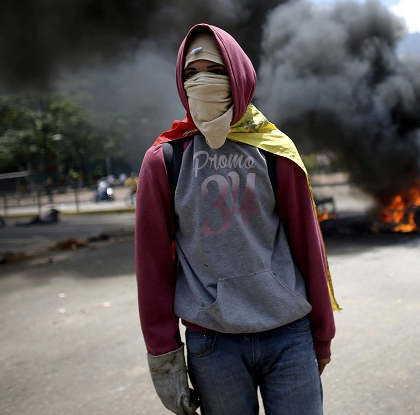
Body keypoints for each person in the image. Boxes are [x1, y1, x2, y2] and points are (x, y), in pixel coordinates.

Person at [135, 23, 338, 415]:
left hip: (289, 335)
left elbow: (308, 247)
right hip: (213, 344)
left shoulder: (274, 150)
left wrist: (322, 334)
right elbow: (153, 266)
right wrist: (163, 355)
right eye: (190, 75)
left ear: (238, 74)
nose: (201, 83)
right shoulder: (165, 160)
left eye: (214, 71)